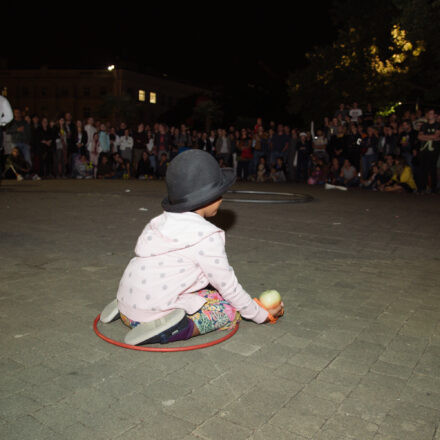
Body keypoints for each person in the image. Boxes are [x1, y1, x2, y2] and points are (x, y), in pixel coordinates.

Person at [113, 149, 284, 345]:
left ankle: (134, 304)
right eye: (220, 193)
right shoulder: (206, 236)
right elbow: (228, 286)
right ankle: (174, 329)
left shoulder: (158, 222)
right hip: (148, 319)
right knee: (228, 309)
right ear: (208, 197)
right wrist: (261, 314)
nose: (222, 199)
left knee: (210, 294)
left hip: (128, 306)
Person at [417, 109, 440, 194]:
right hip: (424, 149)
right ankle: (422, 187)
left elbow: (436, 135)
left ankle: (433, 188)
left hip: (434, 150)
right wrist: (432, 137)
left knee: (432, 169)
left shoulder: (438, 125)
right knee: (423, 168)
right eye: (428, 113)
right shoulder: (424, 125)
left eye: (431, 113)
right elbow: (419, 137)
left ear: (435, 115)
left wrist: (425, 136)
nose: (429, 115)